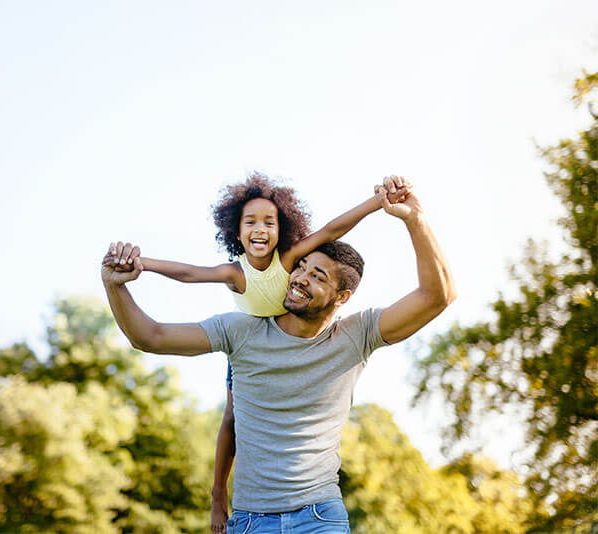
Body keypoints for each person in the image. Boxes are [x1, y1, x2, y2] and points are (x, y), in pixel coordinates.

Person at [102, 180, 455, 534]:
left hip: (320, 518)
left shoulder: (356, 335)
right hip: (250, 520)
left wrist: (415, 219)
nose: (299, 278)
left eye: (316, 276)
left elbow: (437, 296)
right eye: (300, 267)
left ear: (342, 297)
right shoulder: (242, 331)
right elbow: (150, 336)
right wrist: (115, 286)